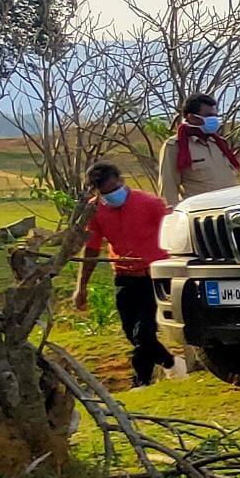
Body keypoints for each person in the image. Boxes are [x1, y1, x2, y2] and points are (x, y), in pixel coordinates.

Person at [73, 162, 186, 387]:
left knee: (143, 332)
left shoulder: (150, 203)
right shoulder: (95, 211)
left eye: (115, 188)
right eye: (106, 192)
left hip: (153, 275)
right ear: (97, 192)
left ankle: (142, 380)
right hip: (124, 276)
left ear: (122, 181)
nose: (113, 195)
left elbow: (174, 234)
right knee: (131, 333)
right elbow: (92, 249)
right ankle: (170, 363)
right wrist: (81, 286)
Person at [159, 93, 240, 206]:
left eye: (215, 116)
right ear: (191, 117)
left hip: (231, 209)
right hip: (201, 214)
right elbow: (169, 187)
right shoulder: (175, 146)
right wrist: (173, 216)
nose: (214, 120)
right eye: (208, 116)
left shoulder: (219, 143)